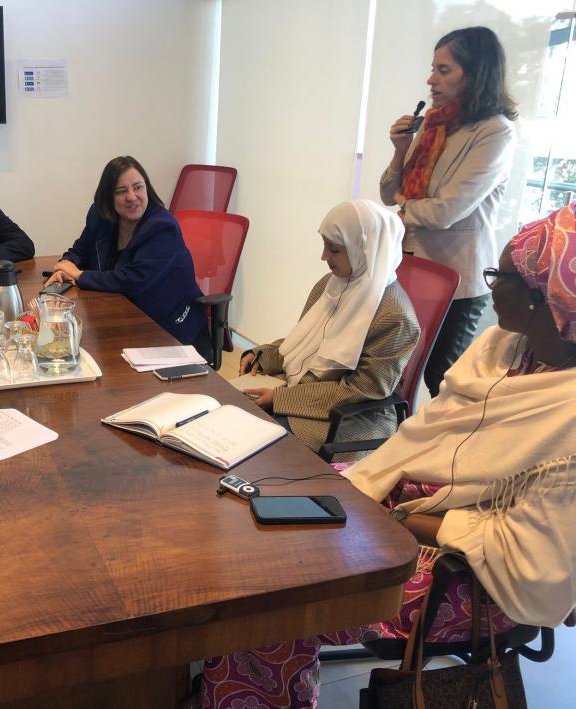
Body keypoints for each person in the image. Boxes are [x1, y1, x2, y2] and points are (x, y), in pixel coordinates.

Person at [200, 203, 576, 709]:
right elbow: (425, 432)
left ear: (543, 298)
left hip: (468, 572)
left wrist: (391, 516)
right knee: (248, 514)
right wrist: (371, 493)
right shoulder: (502, 349)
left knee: (271, 601)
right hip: (401, 500)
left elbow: (533, 560)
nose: (488, 287)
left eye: (499, 276)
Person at [380, 26, 517, 397]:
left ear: (474, 74)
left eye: (444, 70)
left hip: (457, 277)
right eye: (432, 68)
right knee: (395, 368)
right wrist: (399, 149)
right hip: (409, 265)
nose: (430, 79)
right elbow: (388, 194)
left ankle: (448, 452)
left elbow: (445, 212)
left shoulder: (494, 132)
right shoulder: (432, 124)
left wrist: (403, 210)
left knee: (442, 379)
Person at [238, 200, 419, 456]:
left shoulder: (396, 317)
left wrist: (281, 399)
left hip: (349, 418)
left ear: (365, 249)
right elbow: (304, 341)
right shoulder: (333, 283)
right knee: (230, 413)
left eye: (333, 250)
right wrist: (263, 355)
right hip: (305, 393)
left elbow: (364, 390)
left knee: (252, 443)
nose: (324, 257)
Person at [44, 156, 208, 353]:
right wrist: (65, 266)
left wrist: (79, 275)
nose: (132, 196)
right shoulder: (100, 215)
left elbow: (133, 280)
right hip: (121, 319)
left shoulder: (162, 227)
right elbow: (81, 249)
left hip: (169, 329)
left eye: (138, 187)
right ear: (108, 197)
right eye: (121, 191)